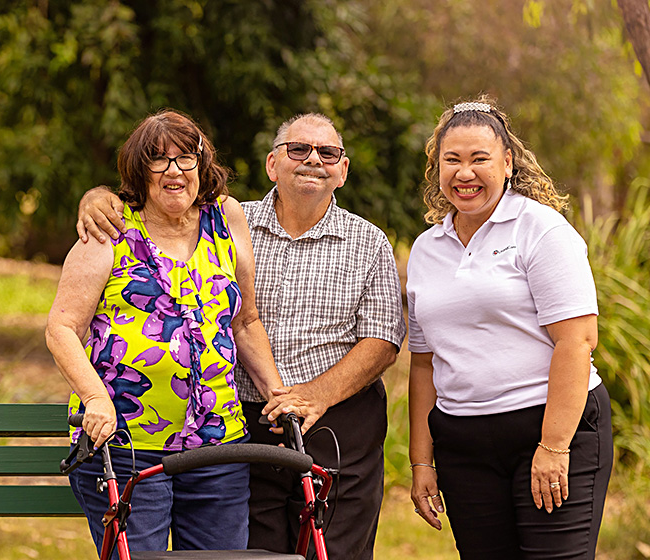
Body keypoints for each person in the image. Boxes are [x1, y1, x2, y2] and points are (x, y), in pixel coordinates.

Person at [77, 112, 407, 559]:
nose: (313, 160)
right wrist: (97, 197)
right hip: (246, 423)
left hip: (331, 420)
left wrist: (311, 396)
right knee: (256, 552)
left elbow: (383, 339)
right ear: (272, 164)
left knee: (336, 550)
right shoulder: (233, 219)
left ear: (342, 170)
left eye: (327, 152)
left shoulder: (368, 242)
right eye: (298, 150)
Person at [46, 109, 283, 556]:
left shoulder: (226, 217)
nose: (174, 171)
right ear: (140, 171)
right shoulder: (109, 229)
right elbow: (61, 328)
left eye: (185, 158)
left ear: (201, 165)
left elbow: (244, 319)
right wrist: (96, 398)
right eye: (158, 160)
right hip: (125, 447)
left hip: (218, 444)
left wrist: (277, 392)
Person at [406, 96, 613, 559]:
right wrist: (422, 460)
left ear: (507, 163)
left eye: (480, 159)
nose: (465, 173)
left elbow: (576, 341)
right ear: (437, 168)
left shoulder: (541, 230)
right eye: (451, 160)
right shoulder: (426, 248)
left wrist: (554, 447)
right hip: (464, 447)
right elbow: (423, 364)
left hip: (549, 429)